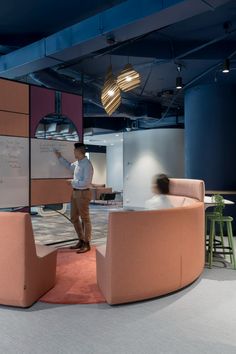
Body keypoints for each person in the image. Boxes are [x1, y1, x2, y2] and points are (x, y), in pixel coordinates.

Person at [54, 143, 94, 253]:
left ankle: (87, 243)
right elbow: (68, 166)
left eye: (75, 151)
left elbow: (86, 182)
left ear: (80, 151)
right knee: (74, 218)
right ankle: (81, 239)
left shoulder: (87, 165)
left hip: (83, 193)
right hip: (75, 193)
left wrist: (72, 182)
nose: (73, 152)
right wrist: (59, 157)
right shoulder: (78, 163)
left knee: (85, 219)